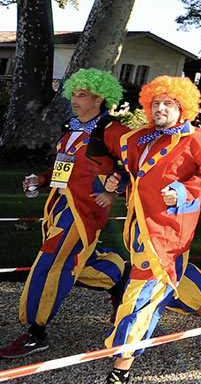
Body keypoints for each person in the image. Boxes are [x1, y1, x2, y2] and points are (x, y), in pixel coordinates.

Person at [102, 76, 201, 384]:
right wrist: (117, 181)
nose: (160, 108)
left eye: (168, 103)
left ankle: (121, 367)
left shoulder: (197, 139)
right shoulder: (140, 138)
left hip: (169, 231)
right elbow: (131, 174)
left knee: (139, 295)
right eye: (155, 103)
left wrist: (185, 192)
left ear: (183, 107)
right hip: (138, 226)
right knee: (164, 283)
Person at [1, 70, 129, 360]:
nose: (75, 99)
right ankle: (119, 279)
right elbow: (64, 168)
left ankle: (36, 332)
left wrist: (116, 184)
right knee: (75, 263)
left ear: (99, 98)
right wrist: (42, 180)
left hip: (85, 213)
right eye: (74, 93)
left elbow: (135, 166)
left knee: (50, 263)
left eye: (82, 95)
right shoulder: (70, 128)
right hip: (58, 208)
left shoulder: (113, 130)